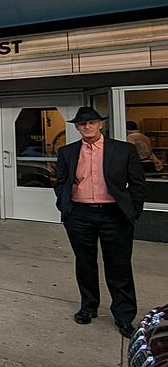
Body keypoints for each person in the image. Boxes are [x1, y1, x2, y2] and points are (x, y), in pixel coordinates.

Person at [55, 107, 145, 337]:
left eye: (92, 123)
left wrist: (133, 210)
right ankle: (88, 307)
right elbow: (62, 182)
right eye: (82, 124)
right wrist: (64, 206)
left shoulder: (123, 150)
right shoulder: (67, 152)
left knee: (119, 265)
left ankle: (124, 317)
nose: (87, 127)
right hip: (80, 214)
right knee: (85, 263)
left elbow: (137, 183)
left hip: (114, 214)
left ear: (100, 124)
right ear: (77, 127)